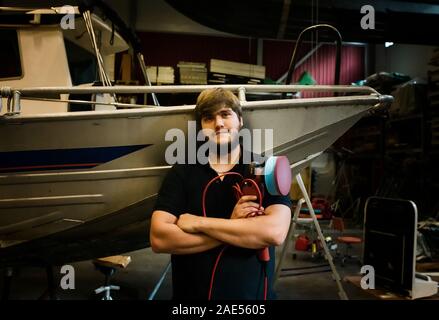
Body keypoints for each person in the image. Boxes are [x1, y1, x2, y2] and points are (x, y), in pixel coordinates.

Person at [150, 88, 292, 300]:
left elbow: (274, 232)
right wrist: (238, 229)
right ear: (201, 127)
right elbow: (159, 238)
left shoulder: (265, 168)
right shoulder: (183, 171)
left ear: (240, 121)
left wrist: (198, 223)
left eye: (225, 114)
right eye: (209, 118)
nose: (218, 124)